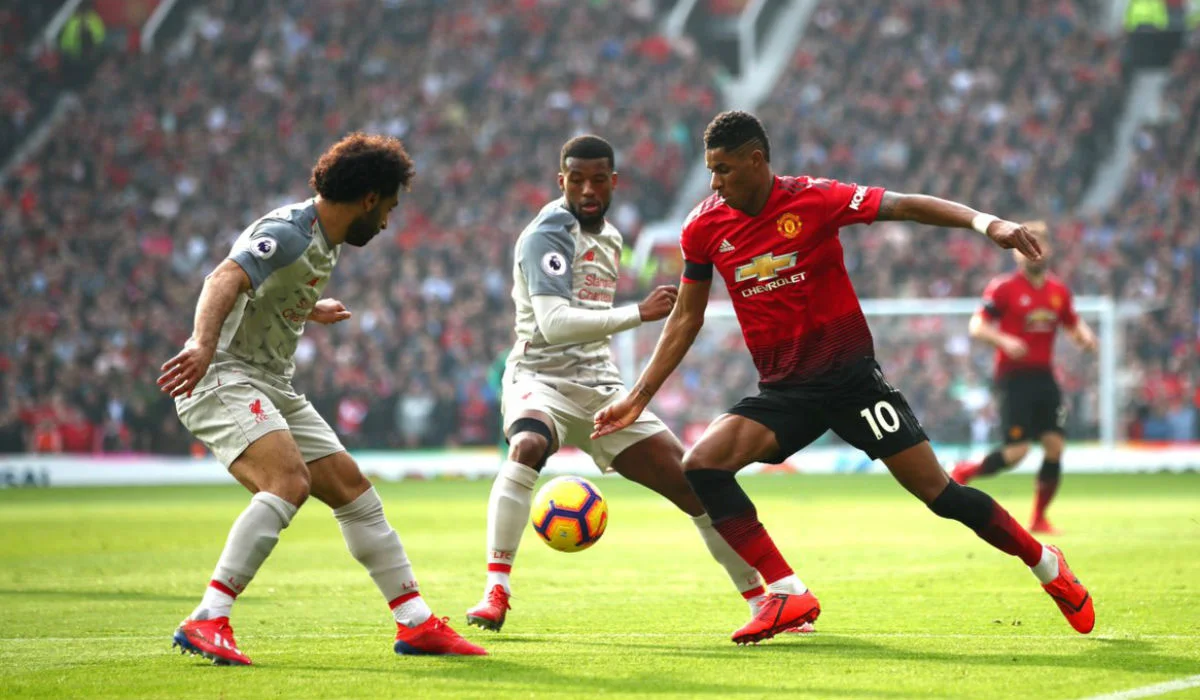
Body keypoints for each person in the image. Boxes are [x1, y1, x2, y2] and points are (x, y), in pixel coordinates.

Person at [592, 111, 1095, 645]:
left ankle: (1045, 562)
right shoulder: (703, 227)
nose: (714, 182)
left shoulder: (815, 199)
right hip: (785, 392)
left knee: (942, 495)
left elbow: (904, 205)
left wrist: (987, 223)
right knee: (703, 465)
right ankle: (788, 592)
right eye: (710, 170)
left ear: (756, 160)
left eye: (724, 169)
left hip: (854, 385)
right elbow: (686, 317)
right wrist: (638, 397)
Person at [158, 133, 485, 664]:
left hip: (272, 382)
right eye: (389, 208)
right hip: (223, 375)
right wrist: (200, 344)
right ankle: (207, 618)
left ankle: (416, 624)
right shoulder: (288, 232)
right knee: (288, 483)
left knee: (356, 494)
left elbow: (265, 289)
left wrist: (308, 307)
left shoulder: (323, 240)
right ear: (369, 198)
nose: (387, 223)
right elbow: (224, 277)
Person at [465, 135, 791, 633]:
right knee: (528, 445)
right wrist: (638, 313)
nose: (587, 190)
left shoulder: (612, 238)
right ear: (561, 181)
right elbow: (553, 323)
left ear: (613, 182)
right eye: (577, 180)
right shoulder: (546, 234)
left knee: (695, 486)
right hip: (540, 377)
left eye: (598, 180)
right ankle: (495, 591)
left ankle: (761, 600)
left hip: (600, 386)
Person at [951, 222, 1098, 534]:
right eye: (1026, 245)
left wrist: (1085, 337)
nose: (1033, 251)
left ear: (1049, 249)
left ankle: (1039, 518)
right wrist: (1003, 340)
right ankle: (966, 471)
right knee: (1017, 452)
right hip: (1013, 378)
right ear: (1015, 253)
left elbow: (1073, 323)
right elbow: (977, 326)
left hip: (1044, 377)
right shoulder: (1003, 288)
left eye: (1039, 243)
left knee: (1055, 445)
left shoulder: (1058, 291)